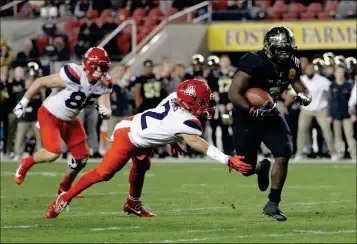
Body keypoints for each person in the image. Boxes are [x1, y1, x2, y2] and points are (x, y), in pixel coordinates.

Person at [46, 79, 252, 219]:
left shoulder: (174, 97)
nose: (206, 105)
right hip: (129, 137)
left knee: (143, 164)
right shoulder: (186, 122)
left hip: (137, 129)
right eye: (201, 101)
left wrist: (173, 141)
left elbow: (166, 122)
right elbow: (201, 145)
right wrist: (228, 160)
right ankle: (64, 198)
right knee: (104, 173)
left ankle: (133, 203)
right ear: (189, 101)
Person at [228, 27, 312, 221]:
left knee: (284, 152)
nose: (284, 52)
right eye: (280, 48)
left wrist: (304, 97)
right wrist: (251, 109)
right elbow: (234, 93)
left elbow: (301, 87)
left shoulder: (292, 64)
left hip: (270, 112)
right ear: (269, 47)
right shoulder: (254, 60)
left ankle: (273, 203)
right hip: (246, 114)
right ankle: (260, 167)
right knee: (245, 167)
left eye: (287, 48)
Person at [13, 47, 112, 197]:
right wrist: (23, 102)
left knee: (82, 157)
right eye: (95, 66)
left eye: (102, 67)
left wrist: (106, 113)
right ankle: (26, 162)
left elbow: (106, 107)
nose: (99, 70)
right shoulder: (74, 74)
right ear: (86, 64)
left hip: (70, 118)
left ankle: (64, 188)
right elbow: (41, 82)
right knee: (53, 152)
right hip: (50, 114)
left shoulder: (104, 83)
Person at [295, 63, 337, 161]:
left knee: (327, 130)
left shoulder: (322, 80)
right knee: (301, 131)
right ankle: (299, 153)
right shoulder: (301, 80)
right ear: (305, 71)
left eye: (311, 69)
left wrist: (326, 97)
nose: (310, 71)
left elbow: (330, 90)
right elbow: (293, 92)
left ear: (314, 70)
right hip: (305, 110)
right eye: (308, 69)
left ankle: (333, 153)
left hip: (320, 109)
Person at [207, 55, 236, 154]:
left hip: (233, 104)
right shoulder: (214, 75)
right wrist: (220, 104)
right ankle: (226, 150)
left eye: (226, 61)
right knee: (223, 128)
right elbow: (213, 91)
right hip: (220, 105)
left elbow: (238, 89)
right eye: (223, 61)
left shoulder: (235, 73)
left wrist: (232, 102)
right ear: (220, 62)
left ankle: (235, 149)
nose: (224, 63)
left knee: (235, 128)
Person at [328, 66, 356, 160]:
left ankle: (354, 154)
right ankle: (339, 154)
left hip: (347, 115)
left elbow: (353, 101)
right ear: (335, 73)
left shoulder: (349, 85)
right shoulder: (332, 85)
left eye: (342, 72)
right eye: (338, 72)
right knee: (337, 136)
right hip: (336, 115)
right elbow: (330, 101)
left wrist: (353, 114)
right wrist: (329, 114)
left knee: (350, 135)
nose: (340, 74)